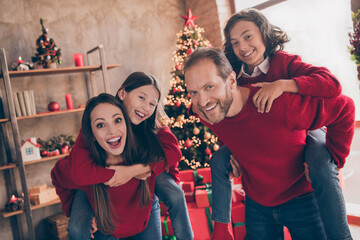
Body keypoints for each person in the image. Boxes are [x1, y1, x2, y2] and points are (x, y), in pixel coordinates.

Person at [208, 8, 352, 240]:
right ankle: (221, 230)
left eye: (247, 36)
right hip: (260, 177)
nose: (242, 46)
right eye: (234, 42)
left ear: (264, 35)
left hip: (305, 129)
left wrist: (283, 84)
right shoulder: (234, 77)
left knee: (321, 162)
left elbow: (332, 85)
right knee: (219, 159)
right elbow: (226, 119)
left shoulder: (284, 62)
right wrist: (232, 149)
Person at [54, 72, 193, 240]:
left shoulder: (148, 126)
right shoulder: (97, 122)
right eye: (141, 98)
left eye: (152, 104)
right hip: (98, 185)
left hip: (144, 184)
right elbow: (76, 171)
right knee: (78, 226)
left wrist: (133, 171)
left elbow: (173, 152)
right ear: (122, 94)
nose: (145, 107)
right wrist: (116, 174)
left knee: (175, 193)